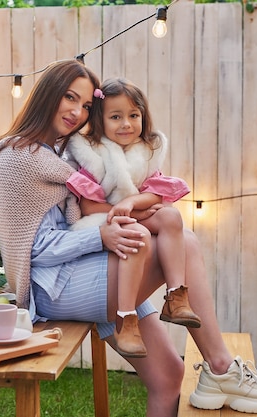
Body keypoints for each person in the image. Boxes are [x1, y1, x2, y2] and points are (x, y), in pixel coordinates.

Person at [0, 59, 257, 416]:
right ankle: (220, 366)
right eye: (69, 98)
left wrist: (138, 212)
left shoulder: (63, 153)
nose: (77, 111)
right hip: (50, 289)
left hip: (86, 271)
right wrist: (103, 237)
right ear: (48, 95)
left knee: (169, 375)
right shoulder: (18, 158)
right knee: (184, 242)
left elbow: (100, 208)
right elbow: (33, 251)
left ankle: (216, 366)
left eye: (87, 105)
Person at [64, 78, 201, 339]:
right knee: (135, 233)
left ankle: (176, 296)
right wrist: (131, 213)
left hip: (135, 212)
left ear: (143, 116)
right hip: (104, 220)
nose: (126, 124)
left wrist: (131, 203)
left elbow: (156, 193)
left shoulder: (146, 152)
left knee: (171, 216)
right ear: (100, 121)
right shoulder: (93, 154)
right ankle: (125, 318)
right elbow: (88, 204)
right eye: (116, 117)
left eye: (133, 115)